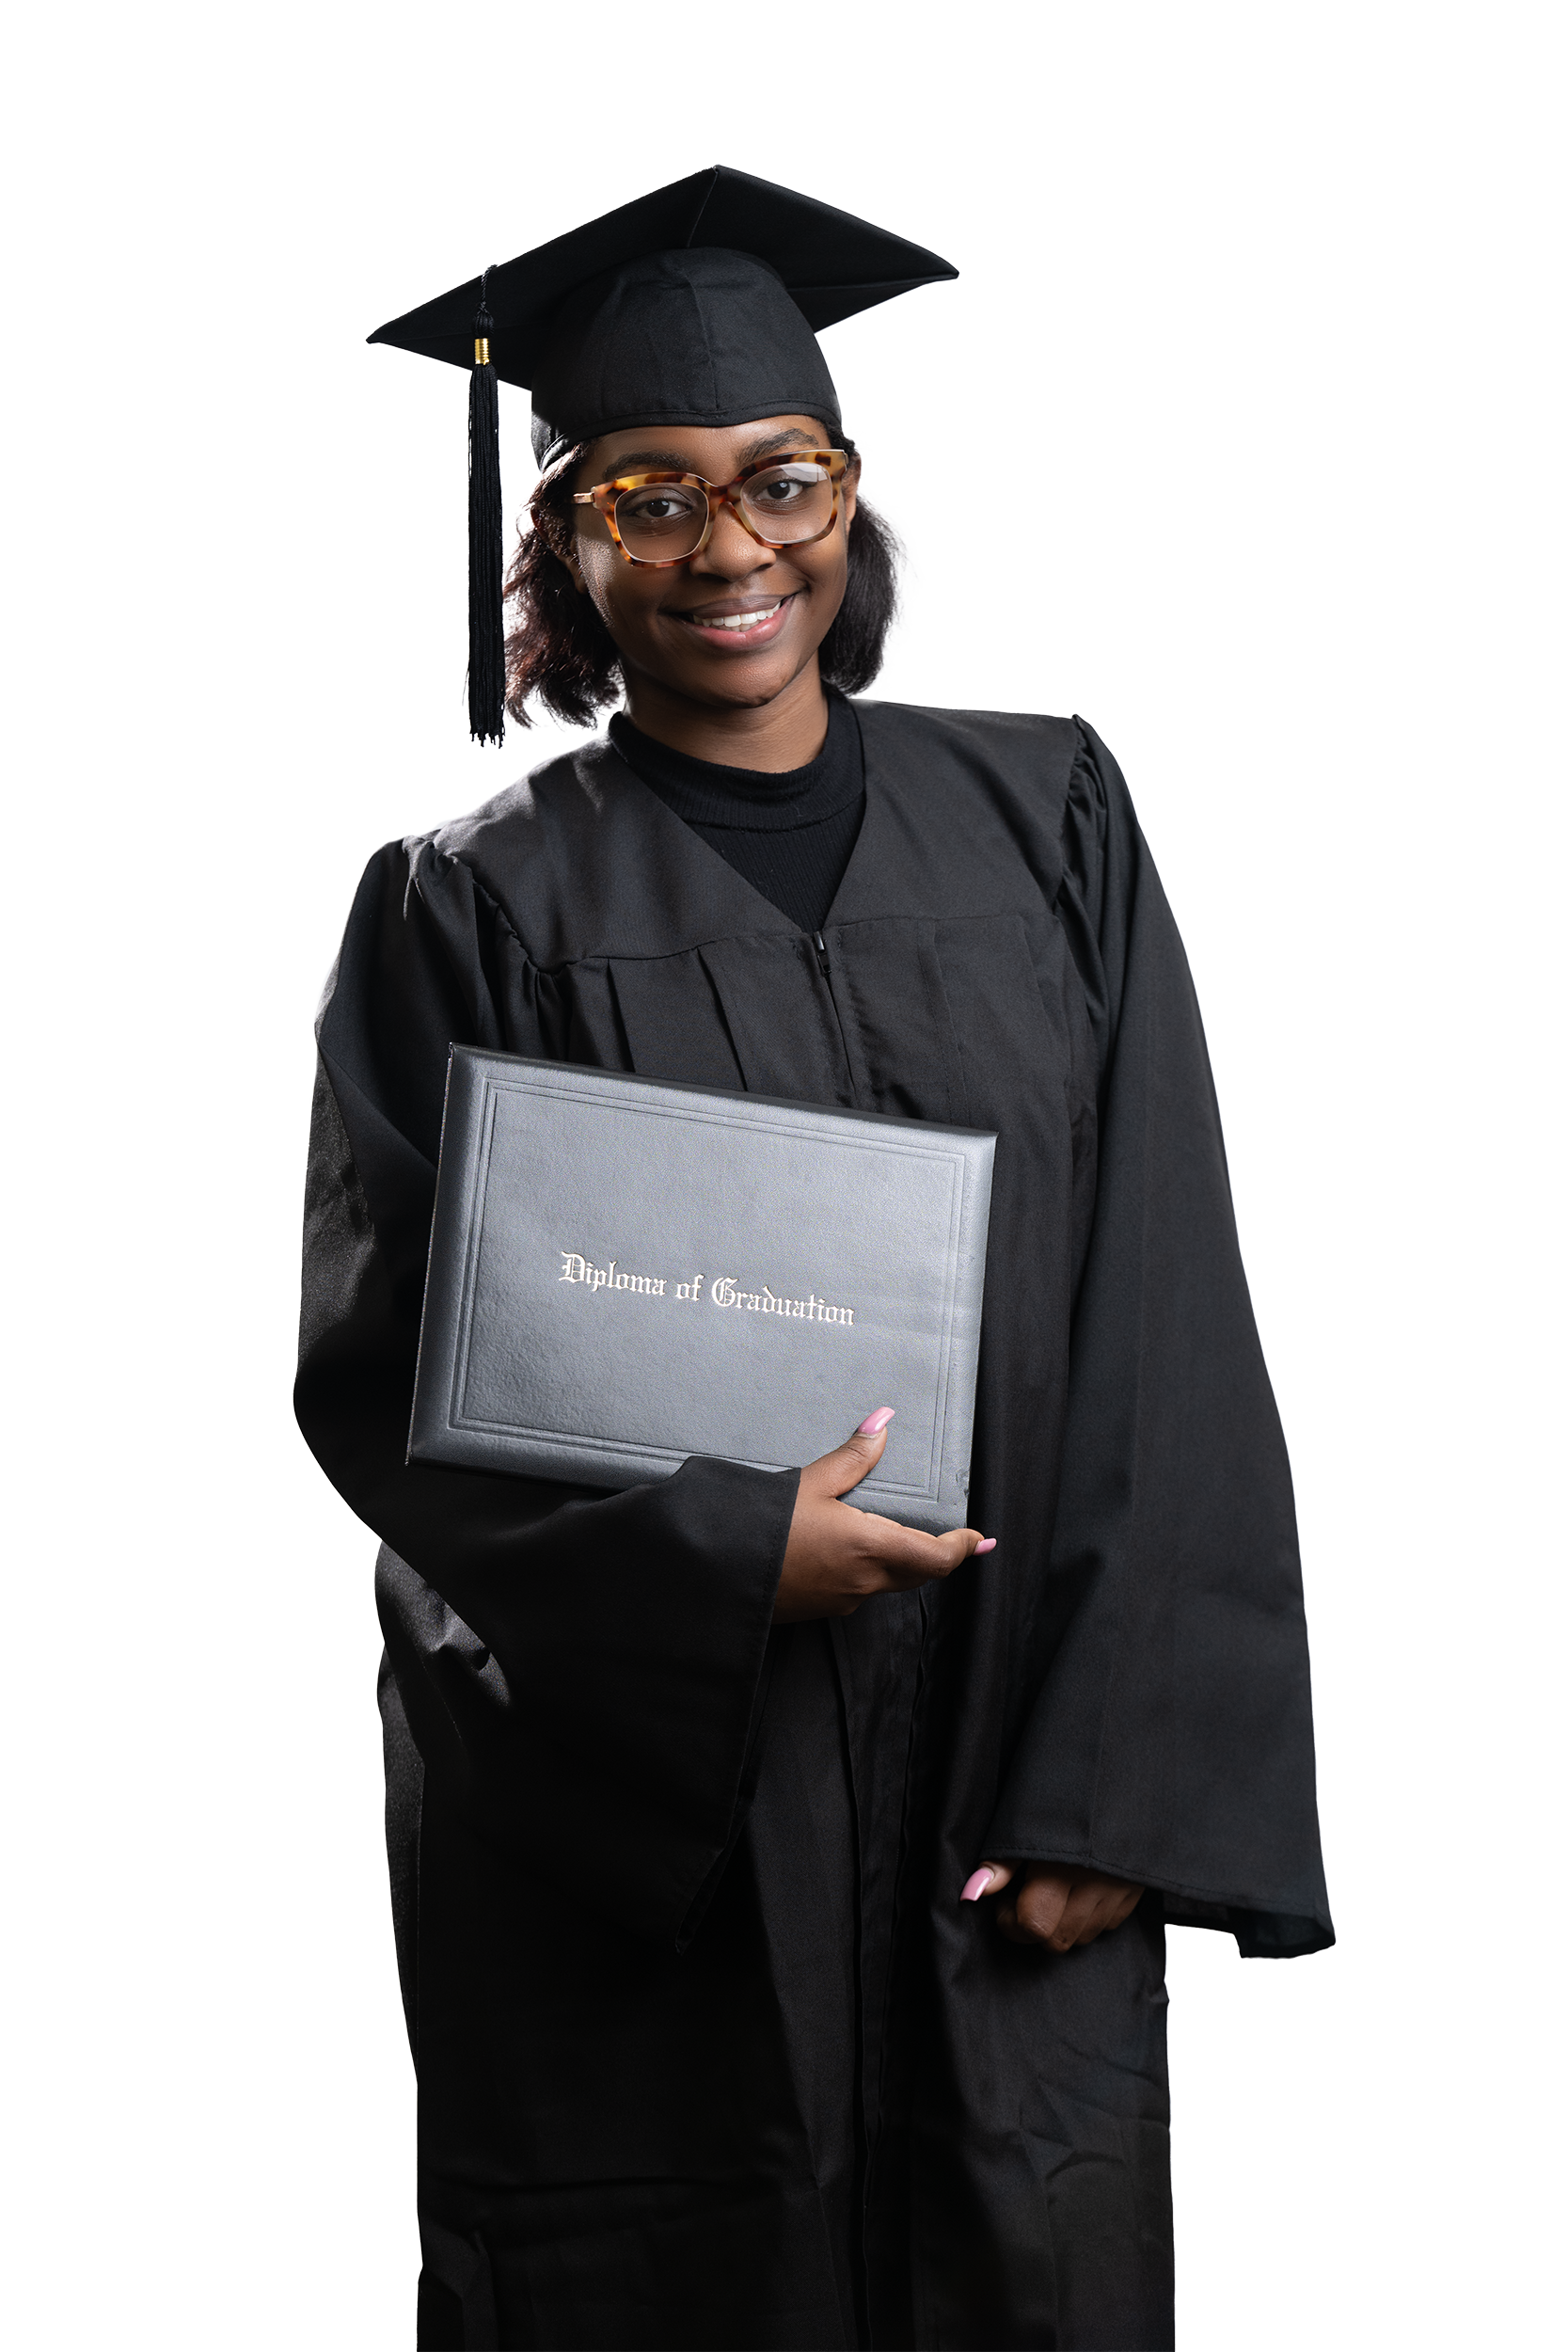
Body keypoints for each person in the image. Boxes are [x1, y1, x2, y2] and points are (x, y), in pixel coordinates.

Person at [295, 168, 1332, 2352]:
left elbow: (1160, 1297)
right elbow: (389, 1371)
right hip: (662, 1827)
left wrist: (1118, 1786)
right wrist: (707, 1552)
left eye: (780, 481)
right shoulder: (463, 909)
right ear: (563, 542)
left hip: (996, 1770)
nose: (726, 546)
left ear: (847, 502)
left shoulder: (1048, 818)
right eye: (644, 497)